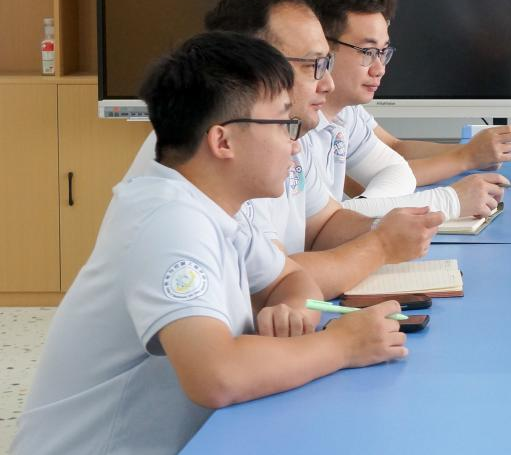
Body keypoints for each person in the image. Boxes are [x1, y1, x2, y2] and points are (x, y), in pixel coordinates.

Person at [13, 32, 407, 455]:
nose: (295, 145)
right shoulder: (169, 221)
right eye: (283, 124)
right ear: (223, 141)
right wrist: (341, 345)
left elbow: (291, 279)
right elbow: (216, 376)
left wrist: (291, 311)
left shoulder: (218, 207)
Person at [123, 0, 448, 297]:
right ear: (254, 66)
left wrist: (389, 229)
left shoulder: (287, 131)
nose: (328, 84)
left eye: (327, 64)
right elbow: (272, 284)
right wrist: (380, 246)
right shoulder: (216, 150)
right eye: (313, 66)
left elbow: (322, 227)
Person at [296, 0, 511, 183]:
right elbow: (369, 187)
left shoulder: (345, 111)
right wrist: (466, 160)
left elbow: (394, 149)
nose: (380, 68)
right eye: (368, 49)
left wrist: (474, 152)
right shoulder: (300, 122)